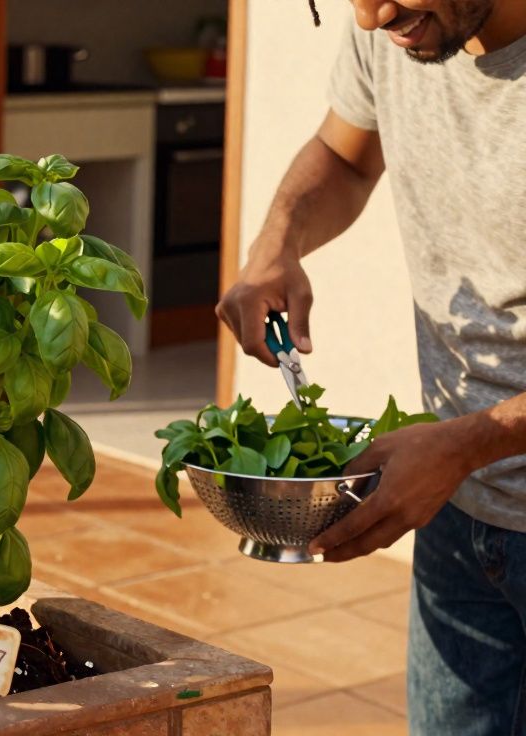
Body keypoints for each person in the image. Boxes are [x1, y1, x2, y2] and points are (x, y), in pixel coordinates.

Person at [216, 0, 526, 732]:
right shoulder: (398, 33)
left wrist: (462, 444)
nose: (370, 16)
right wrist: (278, 243)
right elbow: (346, 155)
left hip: (457, 462)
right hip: (460, 516)